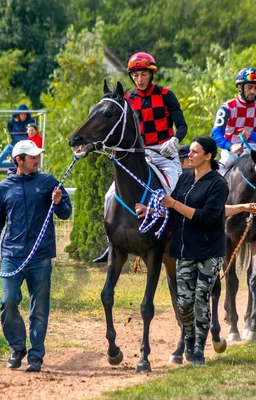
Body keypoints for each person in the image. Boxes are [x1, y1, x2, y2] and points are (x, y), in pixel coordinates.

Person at [137, 136, 226, 366]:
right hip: (184, 249)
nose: (189, 156)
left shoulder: (218, 184)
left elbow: (206, 217)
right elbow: (171, 209)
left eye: (195, 152)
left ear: (208, 156)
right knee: (184, 303)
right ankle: (188, 337)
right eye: (190, 152)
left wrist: (173, 204)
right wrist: (151, 210)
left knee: (200, 299)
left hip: (209, 251)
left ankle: (198, 351)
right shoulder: (185, 178)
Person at [0, 140, 72, 373]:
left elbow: (65, 213)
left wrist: (58, 202)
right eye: (32, 156)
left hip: (40, 256)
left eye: (38, 156)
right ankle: (17, 347)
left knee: (39, 308)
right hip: (12, 256)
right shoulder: (2, 189)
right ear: (18, 160)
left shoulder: (48, 183)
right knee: (8, 301)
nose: (37, 159)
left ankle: (36, 355)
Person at [94, 52, 188, 263]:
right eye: (135, 75)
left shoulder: (166, 95)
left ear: (151, 74)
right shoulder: (126, 101)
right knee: (111, 195)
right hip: (139, 155)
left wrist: (174, 140)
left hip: (165, 154)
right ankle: (112, 244)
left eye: (143, 74)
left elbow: (182, 125)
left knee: (173, 194)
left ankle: (178, 237)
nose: (139, 79)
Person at [211, 68, 256, 176]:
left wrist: (251, 135)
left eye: (255, 88)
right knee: (221, 167)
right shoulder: (226, 108)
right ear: (240, 87)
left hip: (254, 149)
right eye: (249, 87)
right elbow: (216, 133)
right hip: (231, 151)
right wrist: (231, 146)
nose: (253, 91)